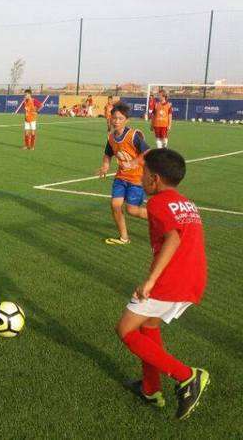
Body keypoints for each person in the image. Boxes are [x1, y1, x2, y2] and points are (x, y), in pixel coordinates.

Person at [115, 148, 209, 420]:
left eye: (143, 173)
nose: (140, 176)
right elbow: (171, 227)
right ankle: (151, 389)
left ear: (154, 179)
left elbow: (173, 239)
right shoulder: (184, 202)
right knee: (149, 325)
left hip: (171, 279)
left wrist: (150, 281)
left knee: (125, 329)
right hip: (192, 277)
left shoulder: (158, 202)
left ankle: (187, 376)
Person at [98, 102, 149, 245]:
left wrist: (133, 163)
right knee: (115, 204)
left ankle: (159, 218)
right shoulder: (111, 137)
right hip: (120, 178)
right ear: (110, 118)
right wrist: (105, 166)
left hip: (136, 179)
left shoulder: (133, 136)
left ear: (126, 120)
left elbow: (147, 152)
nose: (117, 121)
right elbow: (108, 154)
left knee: (132, 210)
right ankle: (124, 238)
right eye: (114, 118)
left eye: (120, 118)